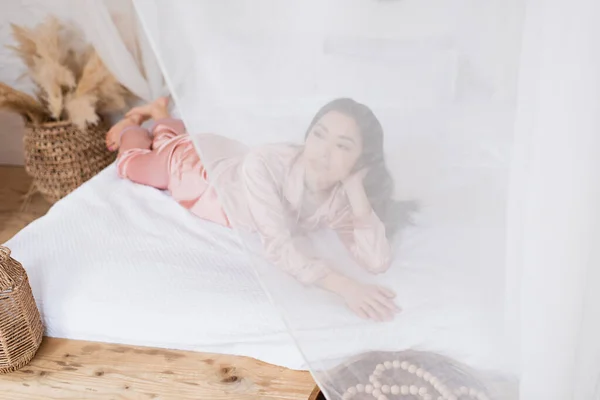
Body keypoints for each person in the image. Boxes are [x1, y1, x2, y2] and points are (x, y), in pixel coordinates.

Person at [106, 97, 401, 321]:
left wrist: (357, 192)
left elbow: (376, 262)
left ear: (361, 161)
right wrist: (345, 286)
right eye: (319, 135)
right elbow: (278, 247)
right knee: (132, 164)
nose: (323, 152)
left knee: (167, 140)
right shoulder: (267, 162)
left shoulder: (340, 196)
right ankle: (130, 126)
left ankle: (160, 114)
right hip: (197, 172)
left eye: (343, 146)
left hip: (227, 157)